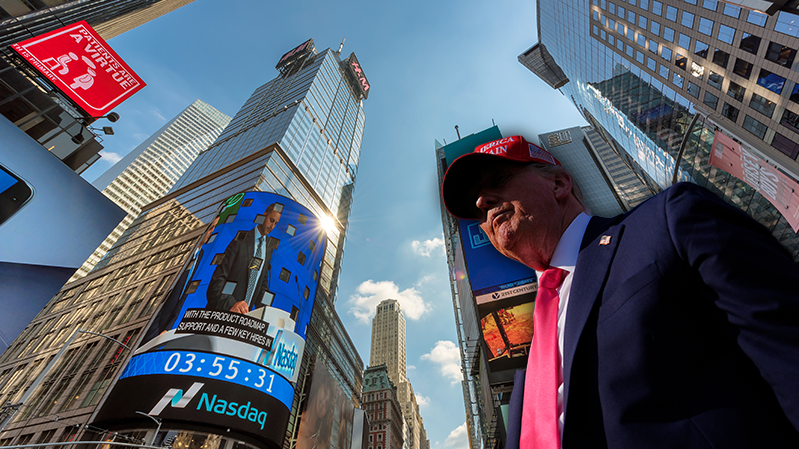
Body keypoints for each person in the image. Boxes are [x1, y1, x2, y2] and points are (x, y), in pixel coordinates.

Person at [441, 135, 799, 448]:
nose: (482, 204)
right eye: (477, 207)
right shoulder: (531, 365)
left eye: (499, 180)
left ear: (559, 184)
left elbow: (786, 343)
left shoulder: (667, 222)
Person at [143, 215, 219, 342]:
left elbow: (187, 297)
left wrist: (169, 328)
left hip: (169, 325)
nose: (211, 232)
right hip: (152, 318)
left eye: (214, 229)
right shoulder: (183, 252)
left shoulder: (203, 259)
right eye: (210, 228)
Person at [206, 203, 282, 314]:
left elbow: (262, 287)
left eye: (276, 223)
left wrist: (268, 313)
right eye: (271, 220)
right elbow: (217, 281)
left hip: (244, 321)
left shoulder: (268, 250)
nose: (272, 226)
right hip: (221, 314)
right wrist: (231, 304)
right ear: (264, 215)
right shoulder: (240, 239)